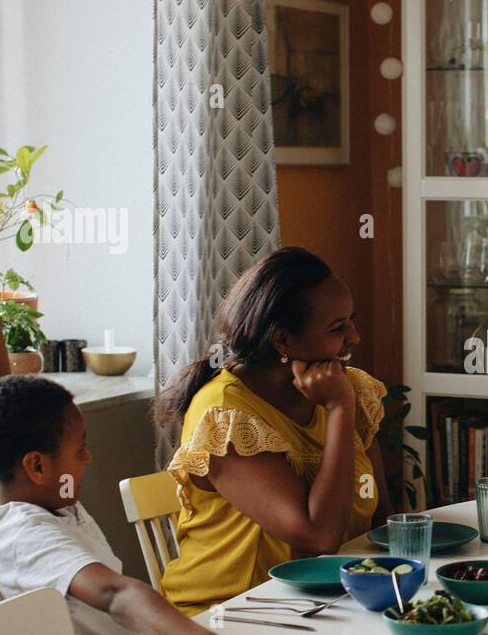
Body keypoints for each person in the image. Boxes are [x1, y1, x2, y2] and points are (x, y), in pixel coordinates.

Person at [0, 202, 275, 635]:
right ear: (37, 465)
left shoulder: (1, 483)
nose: (88, 457)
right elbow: (114, 594)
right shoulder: (26, 537)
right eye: (80, 448)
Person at [153, 248, 392, 615]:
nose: (355, 337)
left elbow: (383, 525)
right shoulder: (225, 414)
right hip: (230, 614)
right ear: (283, 341)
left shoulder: (349, 389)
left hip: (327, 603)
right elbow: (318, 537)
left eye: (351, 321)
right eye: (337, 328)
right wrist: (340, 410)